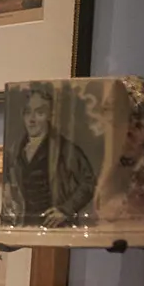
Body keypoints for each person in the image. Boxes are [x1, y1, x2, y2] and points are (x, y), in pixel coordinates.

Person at [10, 85, 96, 228]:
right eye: (28, 112)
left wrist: (65, 210)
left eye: (39, 113)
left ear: (50, 116)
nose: (32, 119)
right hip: (26, 226)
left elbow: (89, 182)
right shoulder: (15, 150)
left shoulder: (65, 149)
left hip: (56, 227)